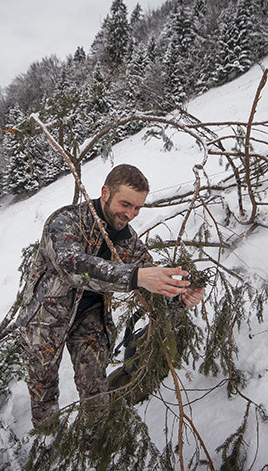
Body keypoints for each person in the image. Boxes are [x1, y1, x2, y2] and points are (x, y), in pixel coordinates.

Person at [17, 164, 204, 429]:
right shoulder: (66, 221)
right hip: (44, 321)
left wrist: (179, 296)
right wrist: (136, 276)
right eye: (125, 204)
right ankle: (49, 441)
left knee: (96, 389)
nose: (130, 214)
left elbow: (150, 281)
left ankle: (98, 448)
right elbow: (72, 266)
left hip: (90, 318)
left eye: (138, 208)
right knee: (43, 388)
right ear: (105, 192)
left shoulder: (128, 240)